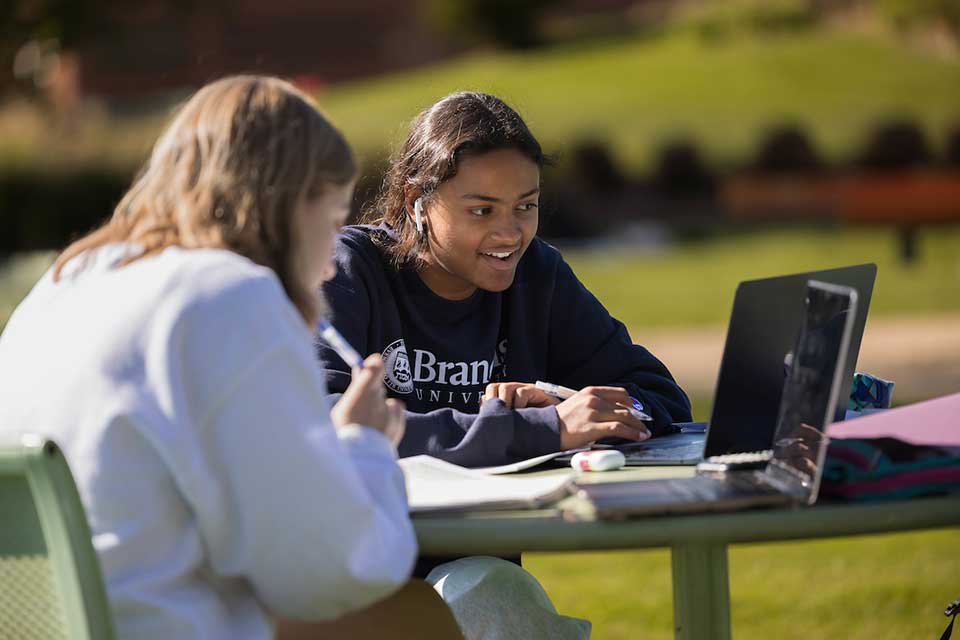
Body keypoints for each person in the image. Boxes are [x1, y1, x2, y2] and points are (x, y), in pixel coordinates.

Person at [0, 76, 462, 640]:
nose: (328, 264)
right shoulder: (227, 296)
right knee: (424, 616)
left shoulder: (65, 281)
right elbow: (328, 573)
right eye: (333, 217)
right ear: (291, 205)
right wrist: (365, 445)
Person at [317, 91, 692, 468]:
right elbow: (323, 419)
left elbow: (662, 398)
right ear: (417, 200)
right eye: (482, 210)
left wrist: (563, 404)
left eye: (526, 206)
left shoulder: (539, 272)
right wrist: (539, 429)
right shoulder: (348, 268)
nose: (510, 234)